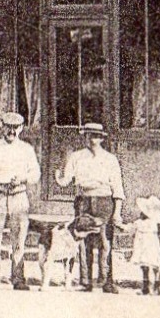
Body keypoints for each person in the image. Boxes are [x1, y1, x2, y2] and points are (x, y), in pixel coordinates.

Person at [54, 122, 125, 293]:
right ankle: (86, 281)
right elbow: (66, 180)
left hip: (104, 201)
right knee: (83, 241)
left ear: (102, 138)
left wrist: (117, 212)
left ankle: (107, 281)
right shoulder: (77, 157)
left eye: (96, 136)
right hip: (83, 200)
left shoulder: (110, 159)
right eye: (89, 135)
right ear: (84, 137)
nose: (92, 139)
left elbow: (118, 187)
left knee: (105, 242)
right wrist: (58, 177)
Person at [0, 111, 40, 290]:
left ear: (21, 128)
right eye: (8, 127)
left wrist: (22, 178)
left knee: (19, 240)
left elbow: (35, 174)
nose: (11, 131)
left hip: (18, 196)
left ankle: (18, 279)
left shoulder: (27, 149)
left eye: (15, 128)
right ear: (2, 127)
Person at [129, 196, 160, 295]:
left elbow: (131, 230)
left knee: (145, 268)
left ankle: (146, 287)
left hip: (143, 247)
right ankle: (157, 287)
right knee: (155, 266)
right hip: (152, 247)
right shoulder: (155, 224)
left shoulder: (140, 223)